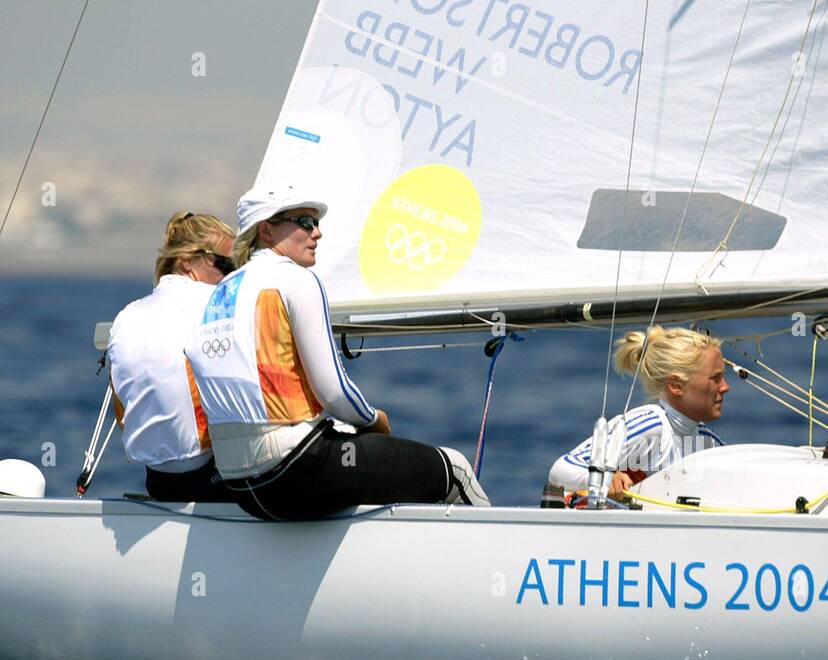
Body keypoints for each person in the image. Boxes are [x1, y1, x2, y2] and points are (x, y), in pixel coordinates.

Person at [185, 183, 489, 520]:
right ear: (266, 230)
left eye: (315, 222)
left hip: (238, 483)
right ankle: (502, 565)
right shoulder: (295, 279)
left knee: (357, 454)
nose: (317, 232)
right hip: (295, 466)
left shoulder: (219, 292)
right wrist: (373, 420)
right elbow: (333, 391)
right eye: (303, 221)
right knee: (455, 470)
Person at [107, 211, 242, 502]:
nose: (232, 276)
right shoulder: (217, 305)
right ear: (187, 262)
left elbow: (121, 407)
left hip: (157, 481)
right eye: (226, 264)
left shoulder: (126, 315)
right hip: (211, 479)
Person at [547, 325, 729, 501]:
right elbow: (561, 468)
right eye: (715, 378)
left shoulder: (709, 442)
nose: (725, 387)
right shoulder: (652, 426)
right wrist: (605, 479)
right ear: (676, 385)